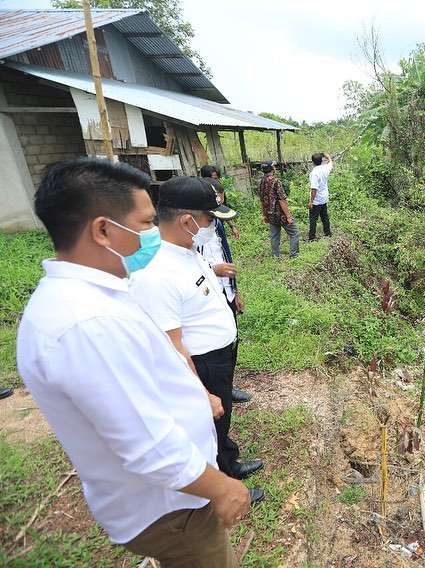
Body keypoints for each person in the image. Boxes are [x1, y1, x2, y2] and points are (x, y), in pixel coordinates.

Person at [17, 158, 249, 566]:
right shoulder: (88, 324)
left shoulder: (96, 298)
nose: (152, 235)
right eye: (144, 225)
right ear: (103, 229)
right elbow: (149, 446)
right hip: (171, 508)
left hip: (172, 498)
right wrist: (222, 488)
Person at [128, 176, 265, 492]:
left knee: (221, 419)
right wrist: (201, 393)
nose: (211, 226)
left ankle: (228, 463)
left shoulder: (188, 249)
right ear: (187, 220)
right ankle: (220, 485)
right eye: (209, 220)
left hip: (218, 355)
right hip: (200, 363)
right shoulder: (158, 274)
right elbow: (171, 346)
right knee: (207, 423)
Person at [200, 177, 251, 404]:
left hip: (226, 292)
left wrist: (235, 291)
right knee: (213, 351)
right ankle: (211, 393)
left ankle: (227, 387)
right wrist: (213, 271)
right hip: (208, 297)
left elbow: (226, 258)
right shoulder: (192, 236)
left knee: (232, 341)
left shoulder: (217, 225)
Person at [258, 162, 299, 258]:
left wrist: (264, 215)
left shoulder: (260, 181)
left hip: (269, 214)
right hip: (280, 214)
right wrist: (288, 216)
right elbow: (282, 200)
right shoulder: (276, 181)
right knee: (294, 232)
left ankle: (275, 256)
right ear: (272, 168)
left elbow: (261, 200)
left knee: (274, 236)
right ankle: (294, 255)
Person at [199, 165, 240, 241]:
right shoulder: (199, 193)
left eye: (217, 179)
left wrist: (232, 226)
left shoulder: (219, 189)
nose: (215, 181)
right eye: (213, 179)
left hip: (218, 226)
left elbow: (223, 209)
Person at [308, 152, 333, 241]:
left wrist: (311, 201)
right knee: (324, 217)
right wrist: (324, 154)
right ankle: (327, 233)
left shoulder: (314, 173)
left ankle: (312, 237)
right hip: (324, 198)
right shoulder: (325, 169)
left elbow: (314, 189)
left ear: (313, 162)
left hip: (317, 200)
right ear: (321, 160)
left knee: (313, 219)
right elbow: (330, 160)